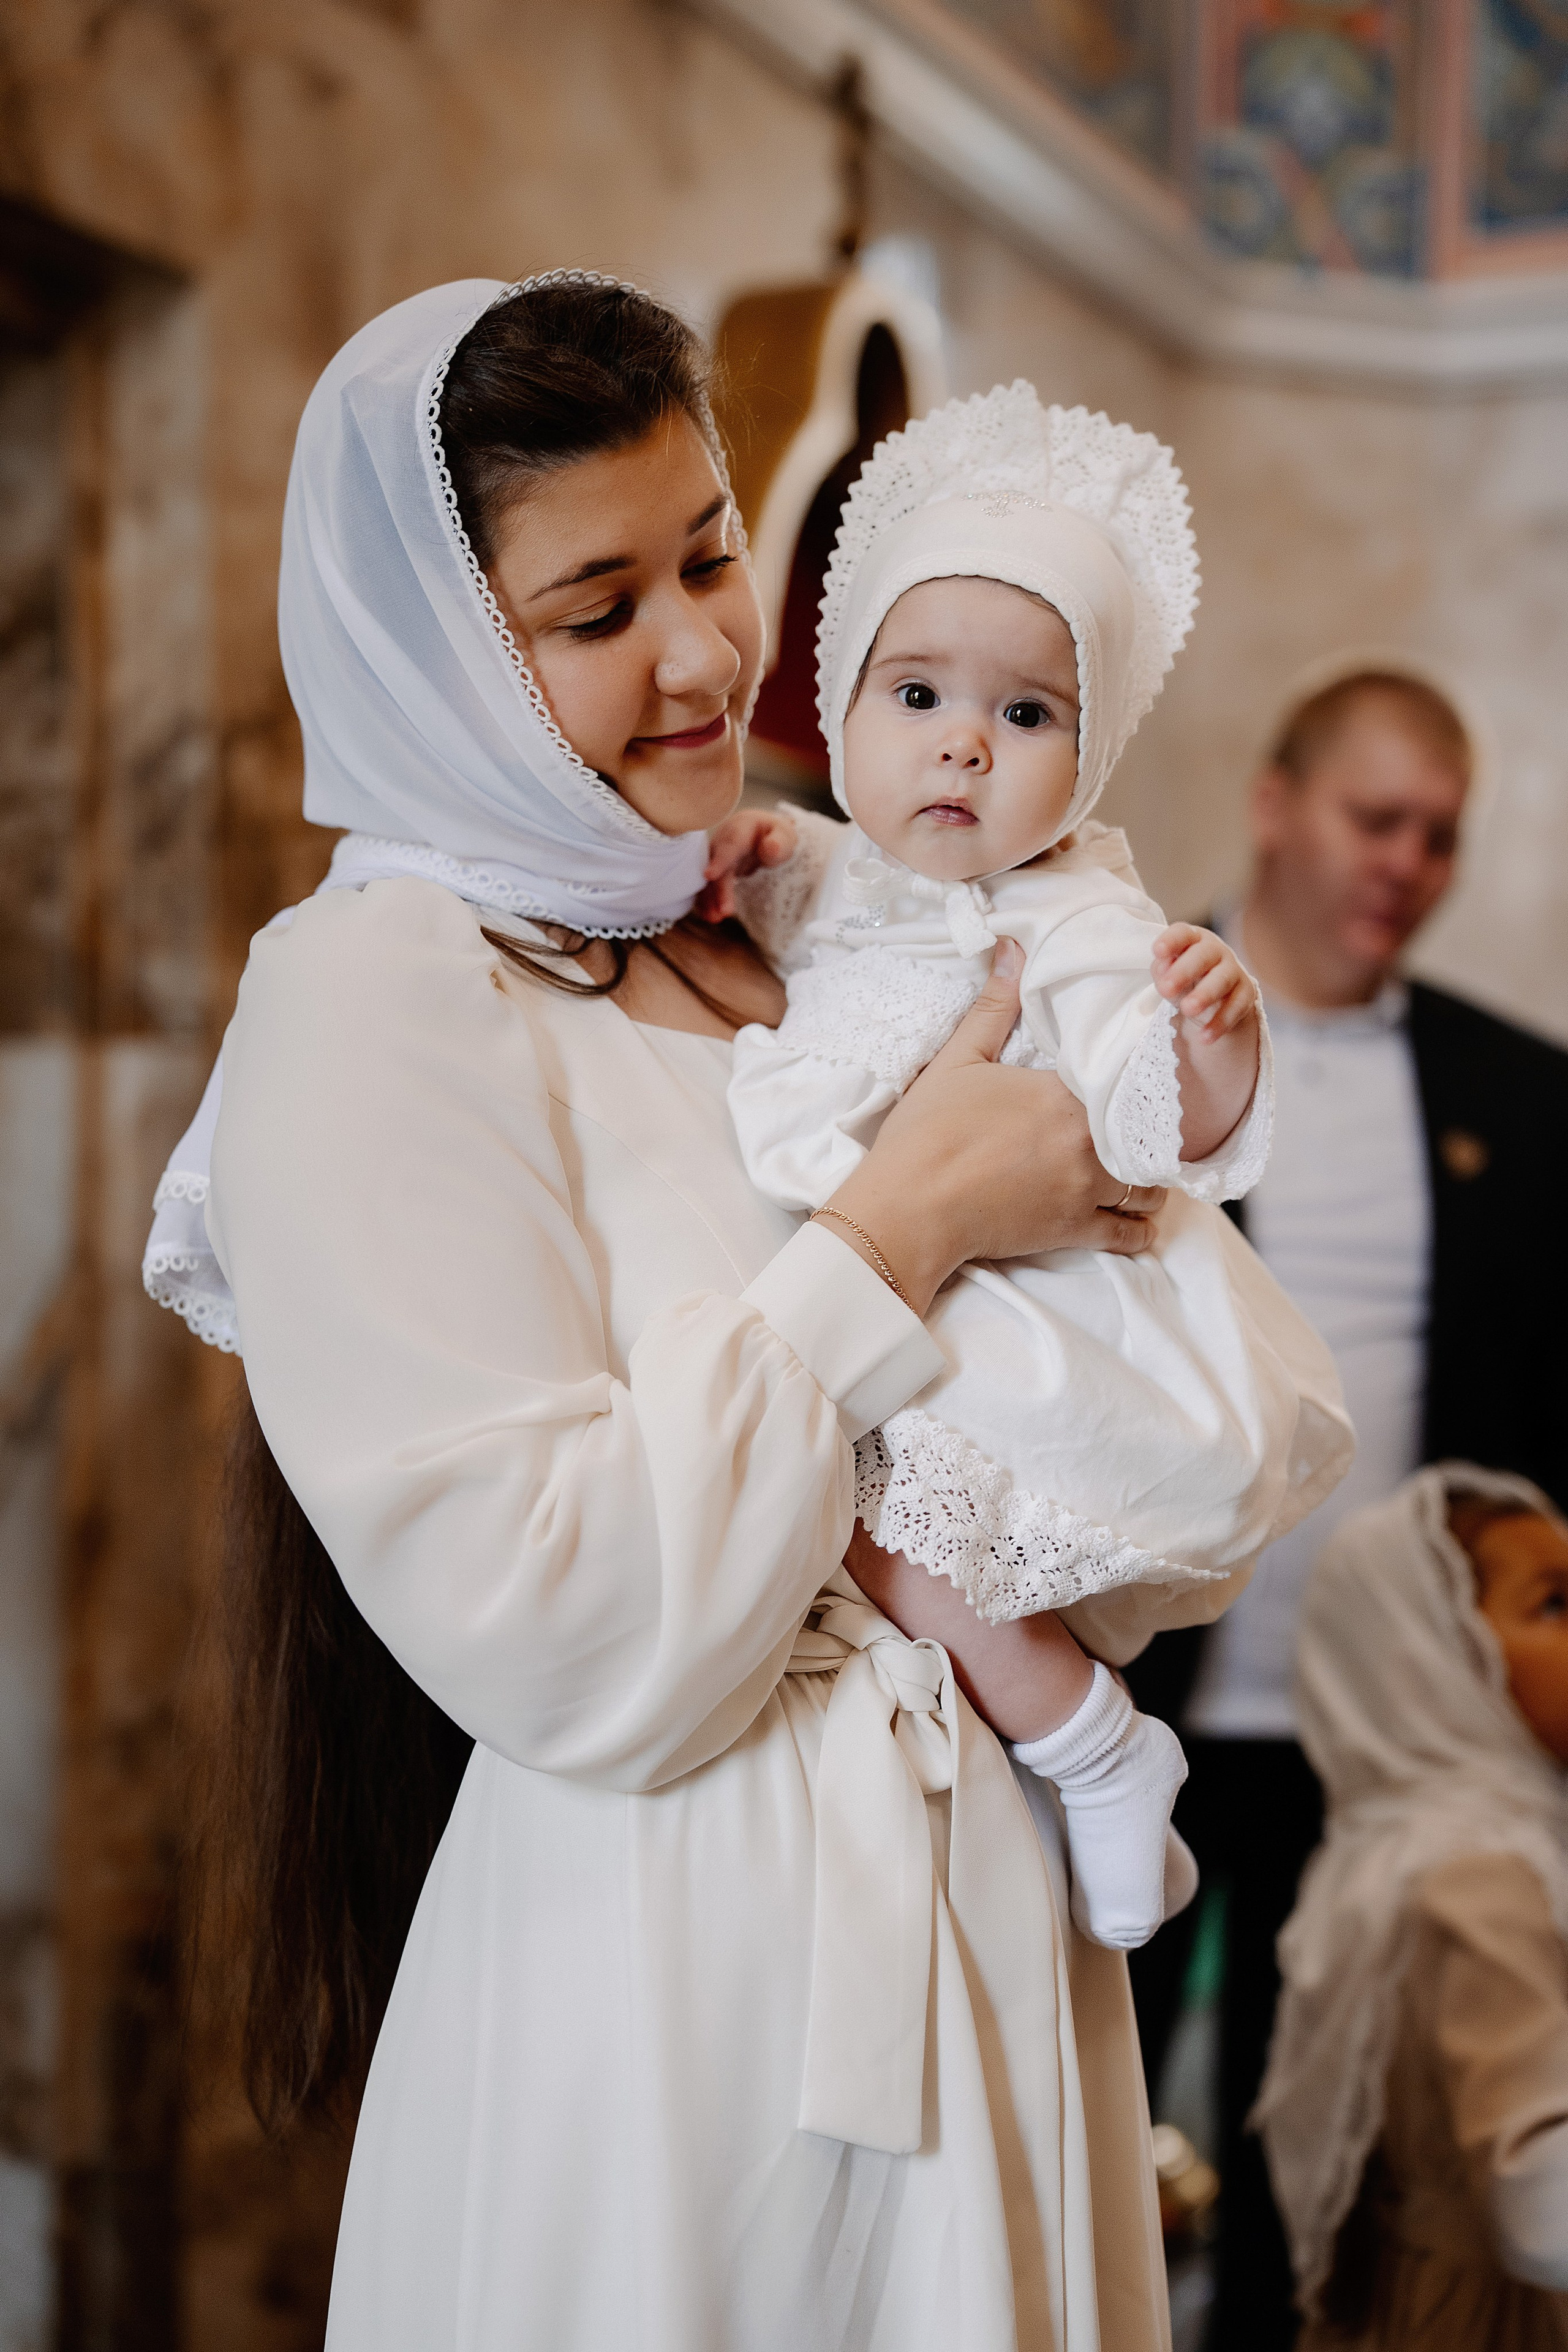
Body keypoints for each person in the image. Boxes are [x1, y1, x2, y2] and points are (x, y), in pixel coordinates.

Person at [140, 271, 1242, 2349]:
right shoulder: (377, 996)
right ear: (444, 653)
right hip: (680, 2002)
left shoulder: (798, 901)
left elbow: (1086, 1431)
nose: (700, 656)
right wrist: (903, 1226)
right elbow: (558, 1619)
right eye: (594, 610)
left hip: (989, 1926)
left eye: (714, 557)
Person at [707, 383, 1351, 1953]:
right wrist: (748, 855)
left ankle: (1093, 1745)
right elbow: (786, 895)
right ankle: (1070, 1752)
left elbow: (1144, 1137)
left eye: (1023, 716)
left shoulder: (1069, 916)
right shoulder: (819, 868)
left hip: (1016, 1312)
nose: (960, 750)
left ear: (1086, 756)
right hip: (885, 1285)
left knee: (885, 1517)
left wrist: (1204, 1041)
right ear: (839, 699)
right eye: (914, 694)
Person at [1126, 662, 1568, 2346]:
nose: (1408, 862)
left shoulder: (1523, 1100)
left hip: (1376, 1744)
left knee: (1307, 2173)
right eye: (1377, 817)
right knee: (1093, 2130)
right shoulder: (1105, 1011)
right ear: (1275, 802)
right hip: (1131, 1716)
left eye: (1441, 837)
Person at [1254, 1464, 1568, 2350]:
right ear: (1428, 1659)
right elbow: (1543, 2204)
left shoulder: (1393, 1848)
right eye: (1552, 1604)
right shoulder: (1484, 1879)